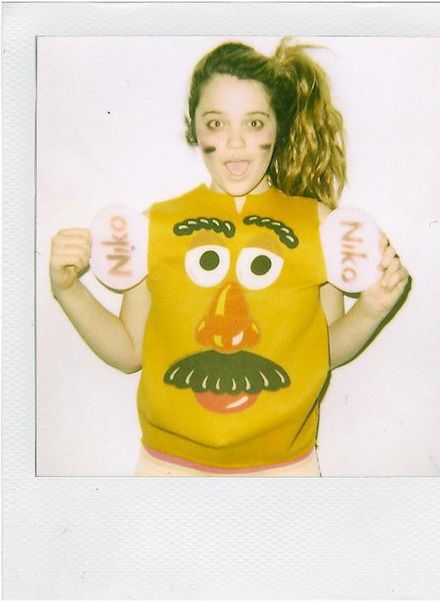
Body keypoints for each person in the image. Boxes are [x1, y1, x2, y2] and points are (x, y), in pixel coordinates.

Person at [49, 39, 409, 477]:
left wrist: (371, 309)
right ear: (195, 131)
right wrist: (67, 289)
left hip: (285, 471)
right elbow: (129, 351)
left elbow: (324, 351)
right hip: (168, 469)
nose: (235, 143)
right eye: (216, 123)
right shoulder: (155, 225)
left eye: (254, 123)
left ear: (277, 128)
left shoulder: (318, 224)